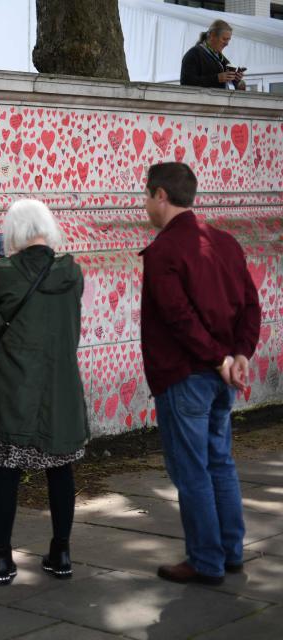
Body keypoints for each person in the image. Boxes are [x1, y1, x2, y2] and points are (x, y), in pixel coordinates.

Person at [140, 162, 261, 585]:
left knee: (192, 470)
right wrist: (240, 354)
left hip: (186, 375)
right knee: (220, 464)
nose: (145, 204)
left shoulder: (163, 251)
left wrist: (219, 359)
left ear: (161, 195)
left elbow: (178, 317)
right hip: (222, 373)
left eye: (146, 195)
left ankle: (206, 560)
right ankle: (229, 552)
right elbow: (251, 304)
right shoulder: (225, 242)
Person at [0, 199, 89, 586]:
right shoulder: (73, 272)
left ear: (13, 233)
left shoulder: (1, 271)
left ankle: (2, 560)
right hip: (60, 389)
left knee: (6, 473)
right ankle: (61, 552)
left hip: (14, 388)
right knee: (60, 470)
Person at [180, 19, 246, 90]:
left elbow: (229, 85)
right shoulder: (194, 54)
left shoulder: (222, 58)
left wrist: (236, 80)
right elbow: (186, 83)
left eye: (228, 40)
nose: (227, 43)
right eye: (224, 39)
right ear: (212, 35)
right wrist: (216, 78)